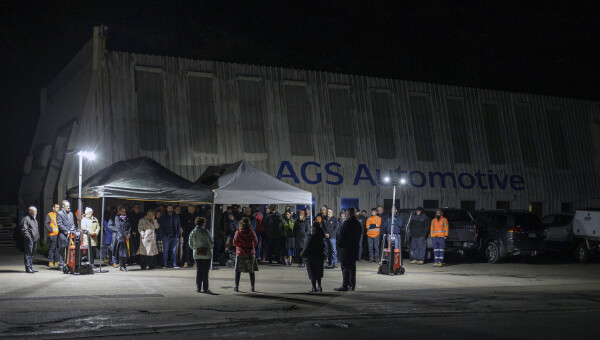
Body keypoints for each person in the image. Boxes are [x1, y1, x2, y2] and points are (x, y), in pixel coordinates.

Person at [335, 207, 363, 291]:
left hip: (346, 249)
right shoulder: (357, 223)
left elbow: (342, 236)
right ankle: (352, 284)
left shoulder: (347, 223)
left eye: (346, 213)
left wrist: (339, 244)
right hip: (354, 248)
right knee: (352, 267)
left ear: (349, 214)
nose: (345, 215)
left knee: (345, 267)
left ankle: (345, 285)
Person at [233, 217, 259, 292]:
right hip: (250, 253)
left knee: (238, 271)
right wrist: (250, 245)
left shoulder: (238, 232)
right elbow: (256, 242)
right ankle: (252, 287)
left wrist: (240, 245)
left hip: (240, 252)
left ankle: (236, 287)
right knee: (251, 271)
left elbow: (234, 242)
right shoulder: (252, 232)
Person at [189, 216, 214, 293]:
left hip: (196, 253)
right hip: (206, 254)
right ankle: (205, 288)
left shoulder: (193, 232)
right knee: (205, 271)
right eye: (205, 222)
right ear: (203, 223)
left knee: (199, 271)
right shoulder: (206, 232)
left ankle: (198, 288)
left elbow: (190, 244)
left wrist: (196, 248)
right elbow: (211, 244)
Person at [301, 222, 325, 292]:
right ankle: (320, 286)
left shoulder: (312, 236)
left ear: (314, 227)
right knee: (318, 272)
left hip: (311, 257)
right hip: (319, 256)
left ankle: (314, 287)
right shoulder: (321, 236)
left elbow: (307, 246)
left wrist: (302, 254)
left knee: (312, 273)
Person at [110, 206, 131, 271]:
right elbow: (119, 228)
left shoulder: (126, 218)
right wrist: (125, 235)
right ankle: (121, 265)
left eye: (124, 211)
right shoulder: (117, 218)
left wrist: (129, 234)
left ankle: (124, 265)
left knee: (126, 251)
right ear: (119, 211)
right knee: (121, 251)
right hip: (120, 236)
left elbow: (129, 226)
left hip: (126, 236)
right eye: (122, 211)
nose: (123, 212)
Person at [56, 200, 75, 271]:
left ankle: (68, 264)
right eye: (67, 206)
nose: (68, 207)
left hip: (70, 235)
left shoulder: (71, 214)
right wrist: (67, 231)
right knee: (62, 249)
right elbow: (60, 224)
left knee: (69, 250)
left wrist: (72, 230)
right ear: (63, 206)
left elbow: (73, 223)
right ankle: (61, 265)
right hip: (63, 235)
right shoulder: (59, 213)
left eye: (69, 206)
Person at [21, 206, 39, 273]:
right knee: (28, 253)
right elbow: (24, 230)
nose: (36, 213)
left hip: (35, 239)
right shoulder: (26, 219)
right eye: (35, 211)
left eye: (36, 211)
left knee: (32, 254)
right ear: (30, 211)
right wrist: (29, 238)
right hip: (30, 240)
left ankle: (31, 266)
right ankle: (28, 267)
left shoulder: (35, 219)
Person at [45, 203, 60, 268]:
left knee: (57, 249)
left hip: (58, 234)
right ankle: (51, 261)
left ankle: (57, 261)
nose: (58, 208)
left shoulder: (59, 214)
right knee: (52, 248)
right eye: (56, 207)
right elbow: (47, 223)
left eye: (58, 207)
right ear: (53, 208)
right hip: (52, 234)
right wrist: (51, 230)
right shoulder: (50, 215)